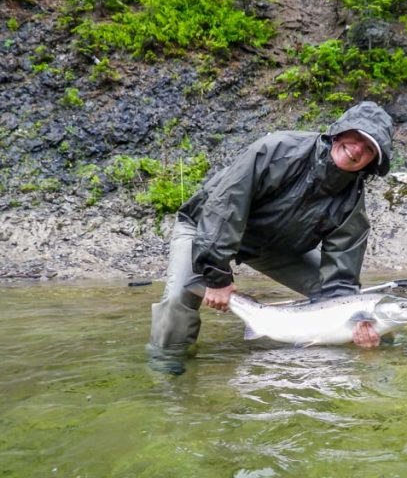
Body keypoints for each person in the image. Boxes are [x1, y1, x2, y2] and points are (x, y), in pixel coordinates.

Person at [147, 101, 394, 373]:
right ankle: (166, 367)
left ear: (373, 161)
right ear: (339, 132)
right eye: (356, 137)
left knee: (357, 308)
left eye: (369, 148)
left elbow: (341, 282)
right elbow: (224, 209)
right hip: (204, 228)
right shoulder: (279, 149)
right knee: (180, 296)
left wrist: (358, 326)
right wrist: (216, 276)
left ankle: (358, 364)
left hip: (275, 249)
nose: (357, 148)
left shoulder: (352, 204)